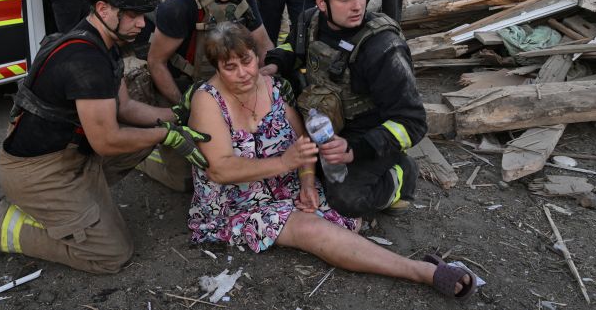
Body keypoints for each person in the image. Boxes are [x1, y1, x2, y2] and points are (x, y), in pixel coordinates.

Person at [187, 22, 476, 303]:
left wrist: (307, 181)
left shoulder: (270, 85)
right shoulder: (207, 100)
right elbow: (220, 169)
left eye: (247, 61)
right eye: (230, 67)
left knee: (349, 220)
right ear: (217, 68)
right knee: (311, 230)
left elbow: (301, 137)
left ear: (256, 55)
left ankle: (396, 179)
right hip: (236, 200)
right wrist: (285, 163)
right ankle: (422, 271)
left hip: (283, 185)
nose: (242, 73)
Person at [0, 0, 211, 274]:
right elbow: (107, 141)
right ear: (103, 8)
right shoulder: (84, 60)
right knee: (111, 254)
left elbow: (125, 109)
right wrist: (166, 134)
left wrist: (176, 115)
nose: (141, 24)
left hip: (73, 155)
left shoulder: (104, 42)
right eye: (132, 15)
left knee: (151, 128)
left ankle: (76, 206)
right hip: (39, 173)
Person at [262, 0, 427, 218]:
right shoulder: (308, 21)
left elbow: (414, 121)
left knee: (346, 200)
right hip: (321, 124)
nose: (356, 6)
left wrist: (356, 150)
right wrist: (275, 65)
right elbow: (292, 47)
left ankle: (402, 175)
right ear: (321, 2)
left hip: (367, 138)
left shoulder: (382, 47)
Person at [140, 0, 274, 191]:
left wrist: (263, 85)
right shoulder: (182, 4)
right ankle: (149, 155)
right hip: (182, 90)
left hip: (227, 87)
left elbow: (265, 46)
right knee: (187, 183)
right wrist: (184, 108)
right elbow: (156, 62)